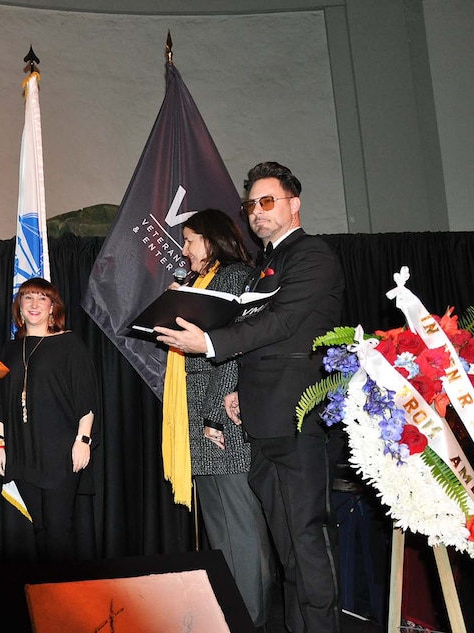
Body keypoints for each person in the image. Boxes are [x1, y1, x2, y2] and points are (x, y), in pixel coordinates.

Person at [155, 162, 346, 633]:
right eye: (251, 205)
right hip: (261, 422)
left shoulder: (312, 255)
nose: (256, 212)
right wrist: (239, 386)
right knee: (285, 550)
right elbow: (259, 335)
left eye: (267, 201)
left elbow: (281, 322)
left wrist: (211, 344)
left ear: (293, 204)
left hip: (298, 419)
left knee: (306, 541)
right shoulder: (265, 268)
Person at [162, 208, 274, 630]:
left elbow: (232, 351)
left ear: (211, 241)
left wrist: (214, 417)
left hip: (220, 422)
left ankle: (247, 618)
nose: (185, 248)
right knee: (223, 528)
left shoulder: (233, 279)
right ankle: (235, 611)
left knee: (236, 528)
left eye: (190, 240)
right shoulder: (199, 283)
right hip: (200, 420)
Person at [0, 278, 98, 562]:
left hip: (60, 452)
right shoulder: (9, 349)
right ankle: (45, 597)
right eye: (28, 298)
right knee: (40, 529)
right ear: (20, 307)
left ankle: (63, 601)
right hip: (22, 452)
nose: (35, 304)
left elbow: (86, 399)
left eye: (42, 298)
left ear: (53, 307)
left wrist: (83, 440)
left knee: (57, 532)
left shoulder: (69, 343)